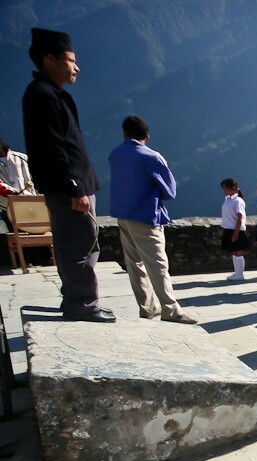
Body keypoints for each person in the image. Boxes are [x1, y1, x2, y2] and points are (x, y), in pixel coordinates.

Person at [22, 28, 113, 322]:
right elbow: (52, 147)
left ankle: (77, 299)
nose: (77, 67)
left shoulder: (50, 94)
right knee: (79, 245)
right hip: (71, 188)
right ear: (50, 59)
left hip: (74, 185)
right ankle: (83, 305)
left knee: (83, 243)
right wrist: (74, 187)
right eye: (71, 60)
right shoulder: (43, 95)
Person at [107, 116, 195, 324]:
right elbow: (170, 191)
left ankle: (147, 307)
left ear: (124, 133)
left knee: (134, 263)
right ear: (147, 136)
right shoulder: (151, 157)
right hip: (146, 216)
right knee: (157, 264)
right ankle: (170, 310)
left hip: (123, 215)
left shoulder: (115, 154)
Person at [0, 135, 36, 225]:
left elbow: (35, 178)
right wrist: (12, 193)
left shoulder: (22, 158)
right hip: (7, 207)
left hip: (32, 204)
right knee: (16, 235)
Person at [220, 178, 251, 281]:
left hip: (235, 229)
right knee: (233, 251)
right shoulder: (228, 199)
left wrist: (236, 232)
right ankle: (236, 272)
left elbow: (240, 217)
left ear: (232, 188)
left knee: (238, 251)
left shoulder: (238, 201)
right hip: (229, 229)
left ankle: (240, 273)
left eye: (225, 188)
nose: (224, 190)